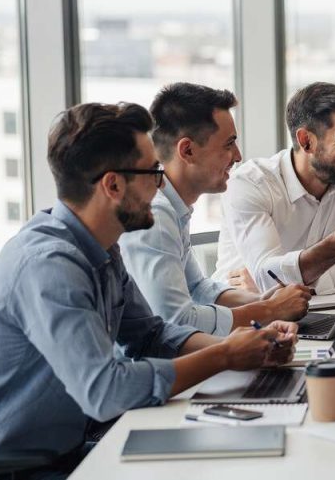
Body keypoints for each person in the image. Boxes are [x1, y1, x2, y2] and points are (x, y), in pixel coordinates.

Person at [0, 103, 297, 480]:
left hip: (66, 450)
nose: (161, 184)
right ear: (113, 185)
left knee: (223, 472)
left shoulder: (101, 247)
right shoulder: (49, 266)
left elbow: (150, 335)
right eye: (153, 172)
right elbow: (106, 391)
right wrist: (224, 355)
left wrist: (250, 347)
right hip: (12, 479)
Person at [119, 83, 311, 336]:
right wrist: (270, 310)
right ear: (187, 150)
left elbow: (198, 288)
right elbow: (177, 321)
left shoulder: (174, 208)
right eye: (229, 144)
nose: (238, 156)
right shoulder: (156, 215)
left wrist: (264, 301)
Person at [214, 82, 335, 295]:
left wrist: (286, 281)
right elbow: (267, 276)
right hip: (244, 310)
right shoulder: (250, 183)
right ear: (306, 141)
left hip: (320, 309)